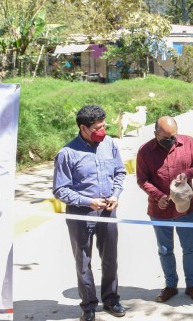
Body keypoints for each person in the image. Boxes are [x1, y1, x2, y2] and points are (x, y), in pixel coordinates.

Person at [53, 105, 127, 321]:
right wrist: (87, 201)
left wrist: (115, 194)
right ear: (83, 128)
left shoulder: (110, 144)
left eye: (104, 125)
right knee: (83, 261)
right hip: (80, 215)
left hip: (107, 211)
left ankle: (111, 299)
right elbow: (60, 189)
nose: (103, 130)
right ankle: (88, 306)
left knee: (110, 258)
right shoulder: (67, 154)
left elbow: (120, 172)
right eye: (98, 127)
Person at [136, 116, 193, 304]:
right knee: (165, 250)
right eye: (166, 137)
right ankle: (170, 285)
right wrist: (159, 196)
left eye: (173, 136)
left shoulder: (188, 142)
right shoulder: (145, 150)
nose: (171, 140)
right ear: (156, 134)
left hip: (185, 208)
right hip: (160, 210)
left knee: (190, 248)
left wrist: (187, 174)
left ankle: (192, 286)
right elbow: (142, 179)